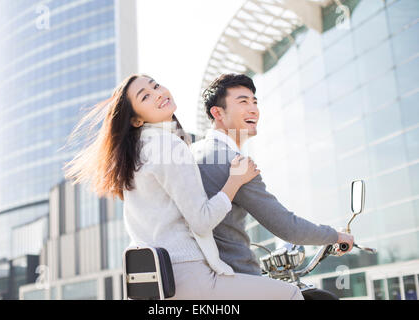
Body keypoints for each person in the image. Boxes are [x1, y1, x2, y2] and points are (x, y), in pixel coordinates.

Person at [63, 73, 304, 300]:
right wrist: (235, 181)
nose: (157, 93)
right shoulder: (167, 146)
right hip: (190, 276)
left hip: (157, 281)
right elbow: (201, 221)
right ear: (136, 119)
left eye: (155, 85)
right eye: (145, 96)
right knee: (290, 294)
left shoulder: (136, 153)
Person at [191, 73, 354, 276]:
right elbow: (287, 227)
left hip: (200, 272)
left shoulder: (193, 152)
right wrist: (335, 236)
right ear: (218, 113)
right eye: (243, 102)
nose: (253, 109)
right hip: (237, 274)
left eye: (254, 102)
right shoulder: (234, 163)